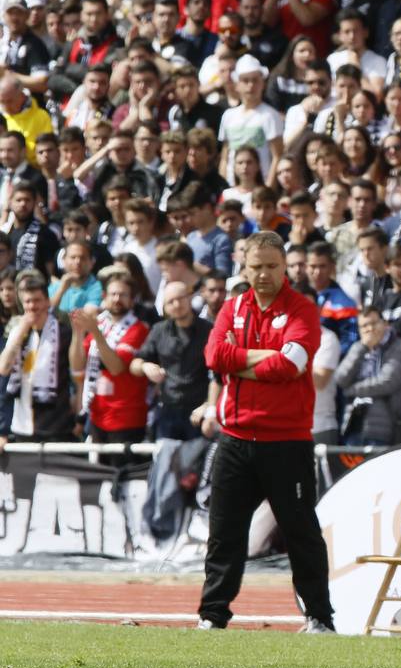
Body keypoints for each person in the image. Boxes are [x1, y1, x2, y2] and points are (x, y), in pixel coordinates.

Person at [198, 231, 334, 634]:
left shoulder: (302, 310)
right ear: (244, 266)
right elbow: (212, 356)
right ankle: (212, 614)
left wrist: (236, 361)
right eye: (256, 267)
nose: (263, 275)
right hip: (235, 439)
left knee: (301, 532)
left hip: (286, 441)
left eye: (271, 267)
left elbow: (290, 365)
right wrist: (261, 358)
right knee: (224, 533)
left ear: (285, 266)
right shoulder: (232, 306)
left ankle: (318, 617)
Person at [69, 270, 151, 446]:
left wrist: (95, 332)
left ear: (132, 299)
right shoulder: (100, 324)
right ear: (105, 296)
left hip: (126, 419)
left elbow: (116, 367)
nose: (117, 299)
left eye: (123, 294)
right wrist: (78, 332)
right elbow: (77, 365)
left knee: (122, 473)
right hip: (97, 416)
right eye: (113, 294)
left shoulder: (138, 330)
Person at [131, 279, 214, 441]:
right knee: (166, 463)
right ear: (165, 307)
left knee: (196, 463)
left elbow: (220, 375)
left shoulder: (209, 330)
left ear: (190, 298)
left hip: (199, 410)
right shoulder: (159, 330)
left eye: (180, 298)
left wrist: (208, 406)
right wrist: (146, 366)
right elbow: (134, 365)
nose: (176, 304)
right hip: (168, 409)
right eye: (170, 302)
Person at [0, 271, 77, 445]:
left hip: (56, 425)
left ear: (47, 302)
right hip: (22, 424)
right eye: (27, 301)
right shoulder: (18, 331)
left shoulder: (63, 332)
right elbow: (3, 368)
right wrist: (22, 330)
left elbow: (77, 373)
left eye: (37, 300)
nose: (32, 306)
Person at [335, 307, 401, 447]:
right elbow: (341, 379)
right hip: (354, 424)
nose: (369, 329)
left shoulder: (399, 346)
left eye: (374, 323)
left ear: (385, 323)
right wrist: (362, 348)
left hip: (385, 425)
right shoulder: (357, 347)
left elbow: (387, 382)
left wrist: (352, 390)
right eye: (364, 325)